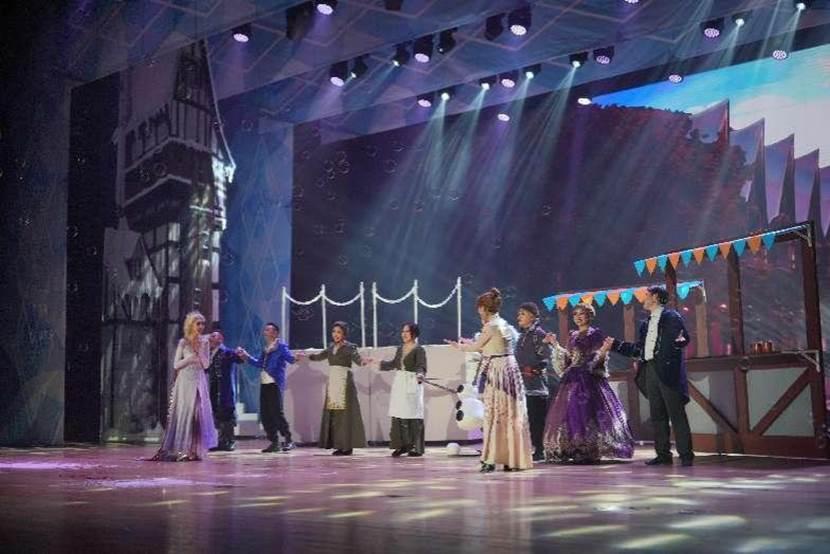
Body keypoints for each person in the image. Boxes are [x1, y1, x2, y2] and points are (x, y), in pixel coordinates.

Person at [447, 288, 533, 472]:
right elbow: (490, 346)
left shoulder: (491, 326)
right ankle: (512, 457)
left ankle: (491, 458)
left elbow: (476, 348)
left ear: (483, 308)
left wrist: (459, 346)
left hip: (499, 370)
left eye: (479, 308)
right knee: (510, 413)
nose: (479, 312)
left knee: (495, 413)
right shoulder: (503, 324)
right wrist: (470, 344)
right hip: (510, 368)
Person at [606, 285, 694, 466]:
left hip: (667, 370)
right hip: (650, 369)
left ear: (655, 297)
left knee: (676, 413)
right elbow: (639, 349)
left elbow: (682, 339)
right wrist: (616, 345)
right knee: (657, 414)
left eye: (647, 295)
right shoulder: (646, 324)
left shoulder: (671, 317)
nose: (643, 299)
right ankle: (663, 454)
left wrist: (676, 346)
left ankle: (686, 455)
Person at [542, 303, 634, 464]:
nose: (578, 317)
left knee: (588, 412)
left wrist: (603, 351)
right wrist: (555, 344)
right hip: (572, 380)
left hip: (589, 379)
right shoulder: (573, 335)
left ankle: (589, 448)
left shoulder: (595, 334)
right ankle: (574, 448)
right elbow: (569, 358)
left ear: (590, 316)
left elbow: (597, 356)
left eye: (581, 313)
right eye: (575, 314)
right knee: (572, 413)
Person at [150, 311, 217, 461]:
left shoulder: (204, 343)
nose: (201, 326)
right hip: (185, 381)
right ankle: (182, 449)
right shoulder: (183, 342)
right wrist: (189, 359)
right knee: (184, 414)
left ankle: (194, 450)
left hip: (198, 380)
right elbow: (176, 365)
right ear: (191, 325)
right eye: (198, 323)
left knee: (197, 414)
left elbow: (206, 364)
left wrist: (200, 352)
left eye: (203, 324)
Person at [299, 321, 369, 456]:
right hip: (333, 382)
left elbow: (358, 359)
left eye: (339, 332)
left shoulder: (350, 347)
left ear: (344, 334)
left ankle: (347, 446)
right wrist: (305, 356)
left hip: (345, 381)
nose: (336, 334)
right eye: (334, 332)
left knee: (345, 414)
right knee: (335, 414)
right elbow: (319, 357)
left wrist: (364, 362)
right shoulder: (331, 347)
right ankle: (338, 444)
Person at [237, 323, 297, 453]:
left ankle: (288, 439)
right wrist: (246, 356)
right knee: (265, 415)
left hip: (274, 383)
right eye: (265, 330)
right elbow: (259, 363)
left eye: (268, 330)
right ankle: (274, 442)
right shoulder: (266, 349)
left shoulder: (281, 346)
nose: (265, 332)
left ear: (275, 333)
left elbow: (290, 359)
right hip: (265, 383)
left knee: (277, 413)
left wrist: (296, 358)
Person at [378, 322, 427, 457]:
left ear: (414, 333)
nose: (404, 334)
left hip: (412, 382)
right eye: (402, 331)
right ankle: (401, 446)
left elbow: (421, 366)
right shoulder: (400, 349)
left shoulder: (419, 349)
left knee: (413, 414)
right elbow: (394, 364)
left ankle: (415, 447)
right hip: (400, 383)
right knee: (399, 414)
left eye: (407, 331)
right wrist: (377, 363)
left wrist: (420, 374)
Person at [515, 302, 553, 462]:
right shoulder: (523, 335)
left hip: (536, 384)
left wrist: (533, 368)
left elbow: (545, 356)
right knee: (529, 418)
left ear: (532, 317)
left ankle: (541, 449)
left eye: (522, 314)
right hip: (523, 383)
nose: (519, 317)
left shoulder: (538, 334)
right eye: (519, 314)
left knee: (538, 418)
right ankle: (535, 447)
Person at [206, 330, 243, 451]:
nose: (210, 338)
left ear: (220, 339)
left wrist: (240, 353)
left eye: (213, 336)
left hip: (225, 387)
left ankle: (230, 441)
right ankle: (221, 441)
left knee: (227, 413)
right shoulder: (210, 354)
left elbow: (239, 359)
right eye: (211, 336)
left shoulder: (226, 352)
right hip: (214, 387)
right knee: (217, 413)